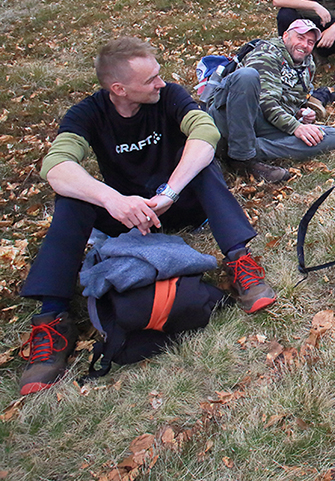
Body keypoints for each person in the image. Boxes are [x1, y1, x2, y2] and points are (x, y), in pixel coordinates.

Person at [19, 38, 276, 395]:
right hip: (126, 213)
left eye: (158, 74)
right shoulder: (87, 114)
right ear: (119, 89)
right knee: (70, 196)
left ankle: (240, 260)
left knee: (203, 163)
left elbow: (205, 132)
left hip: (176, 202)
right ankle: (53, 318)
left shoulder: (169, 96)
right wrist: (113, 201)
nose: (160, 82)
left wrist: (170, 191)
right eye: (150, 79)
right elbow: (56, 165)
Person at [208, 19, 335, 183]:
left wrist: (298, 114)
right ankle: (242, 158)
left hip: (265, 124)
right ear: (285, 36)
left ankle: (241, 148)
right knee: (247, 76)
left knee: (330, 136)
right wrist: (295, 126)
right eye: (300, 38)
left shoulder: (307, 65)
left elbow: (290, 100)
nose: (304, 45)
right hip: (236, 117)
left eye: (310, 42)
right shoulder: (266, 54)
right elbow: (266, 102)